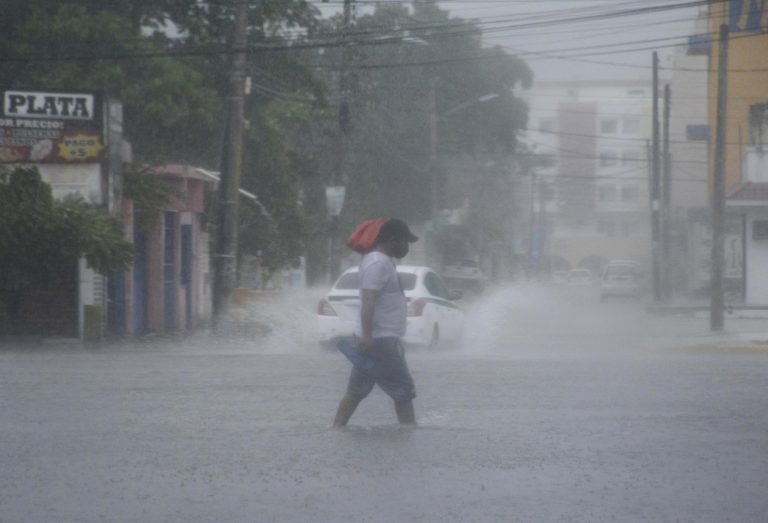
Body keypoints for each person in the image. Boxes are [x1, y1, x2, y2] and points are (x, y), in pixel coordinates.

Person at [333, 218, 420, 428]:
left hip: (378, 339)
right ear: (391, 240)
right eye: (404, 242)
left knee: (357, 390)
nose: (406, 247)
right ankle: (409, 434)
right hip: (381, 341)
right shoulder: (378, 263)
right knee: (403, 391)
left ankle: (336, 430)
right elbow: (369, 299)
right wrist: (367, 336)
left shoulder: (382, 260)